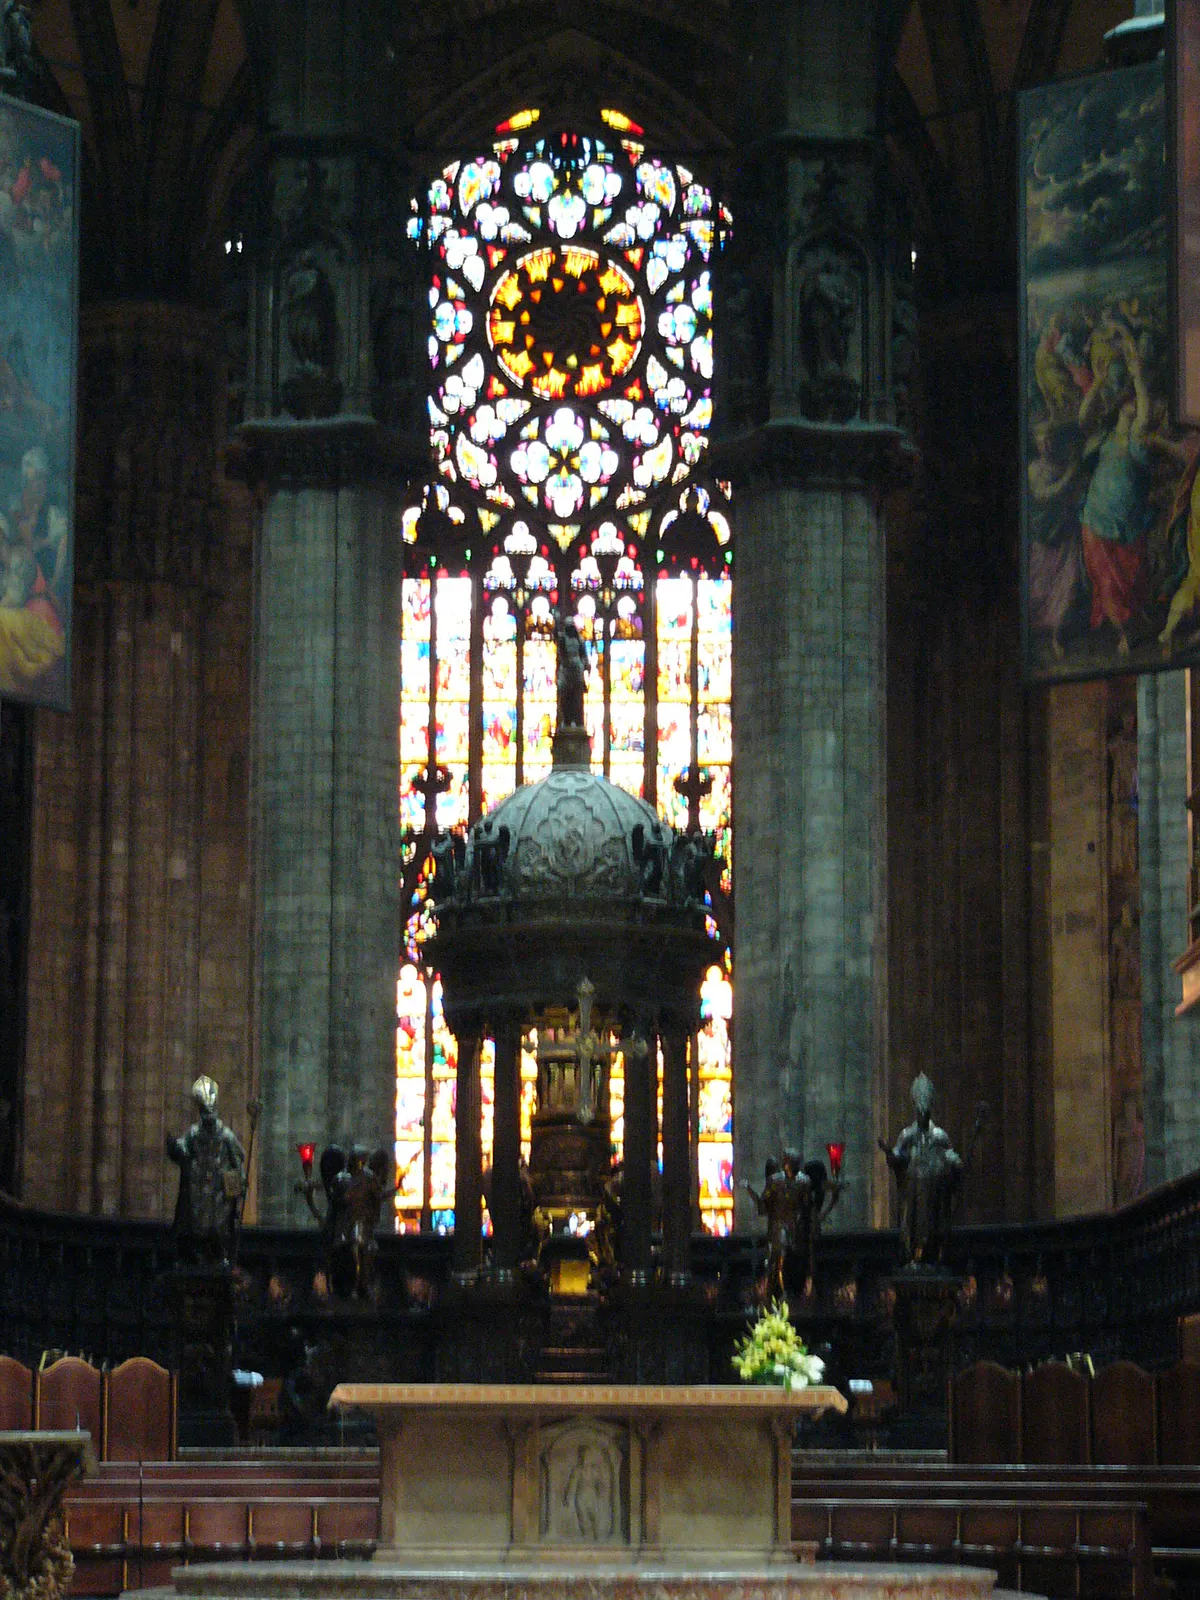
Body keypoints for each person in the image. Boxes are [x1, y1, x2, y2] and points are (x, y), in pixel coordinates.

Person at [1077, 321, 1154, 656]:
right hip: (1097, 518)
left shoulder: (1136, 435)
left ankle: (1134, 621)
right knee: (1107, 582)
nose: (1134, 404)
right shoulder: (1105, 437)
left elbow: (1146, 414)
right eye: (1129, 400)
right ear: (1121, 405)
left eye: (1135, 400)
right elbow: (1083, 419)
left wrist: (1138, 376)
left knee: (1132, 579)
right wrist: (1100, 384)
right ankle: (1123, 632)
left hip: (1129, 523)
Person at [879, 1073, 963, 1268]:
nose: (922, 1115)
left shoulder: (939, 1136)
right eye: (919, 1111)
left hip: (934, 1188)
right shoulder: (907, 1135)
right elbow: (898, 1156)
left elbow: (950, 1156)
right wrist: (889, 1152)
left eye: (925, 1112)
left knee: (933, 1223)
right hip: (913, 1188)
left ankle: (932, 1254)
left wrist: (956, 1163)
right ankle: (913, 1255)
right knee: (912, 1224)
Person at [166, 1076, 247, 1265]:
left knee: (218, 1228)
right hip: (198, 1192)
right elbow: (182, 1152)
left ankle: (219, 1255)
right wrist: (174, 1148)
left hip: (219, 1195)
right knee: (196, 1227)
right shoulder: (194, 1134)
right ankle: (196, 1255)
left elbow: (237, 1160)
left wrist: (239, 1184)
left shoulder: (226, 1136)